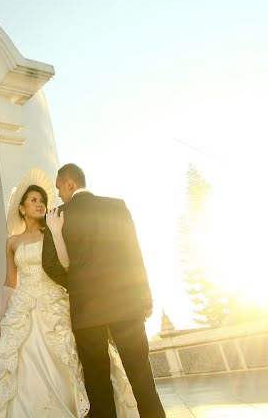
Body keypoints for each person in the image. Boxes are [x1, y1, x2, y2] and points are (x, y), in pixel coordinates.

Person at [0, 169, 139, 418]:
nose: (40, 203)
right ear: (21, 208)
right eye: (33, 200)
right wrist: (1, 321)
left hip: (55, 302)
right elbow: (10, 281)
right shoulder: (12, 242)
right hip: (23, 307)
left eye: (42, 200)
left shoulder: (53, 230)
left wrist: (55, 232)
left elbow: (66, 265)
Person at [42, 163, 166, 418]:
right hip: (127, 304)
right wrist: (145, 297)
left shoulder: (58, 216)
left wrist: (74, 282)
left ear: (70, 184)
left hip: (86, 312)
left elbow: (50, 263)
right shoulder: (116, 207)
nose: (59, 195)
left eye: (59, 189)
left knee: (97, 383)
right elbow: (135, 254)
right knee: (142, 378)